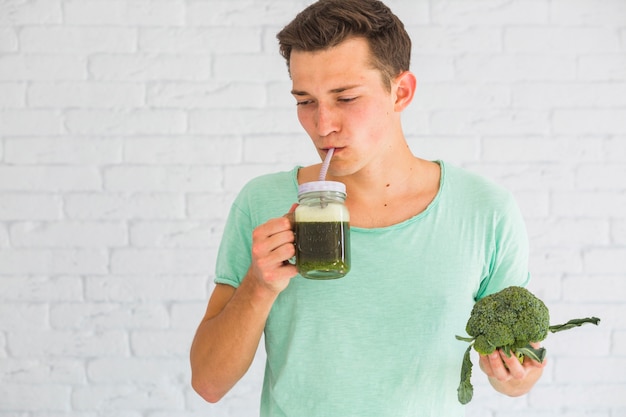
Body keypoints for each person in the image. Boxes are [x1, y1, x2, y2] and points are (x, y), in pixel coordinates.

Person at [190, 0, 545, 415]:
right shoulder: (262, 203)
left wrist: (518, 373)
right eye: (305, 101)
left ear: (401, 91)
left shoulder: (486, 211)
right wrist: (259, 285)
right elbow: (208, 383)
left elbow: (521, 371)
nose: (323, 125)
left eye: (345, 98)